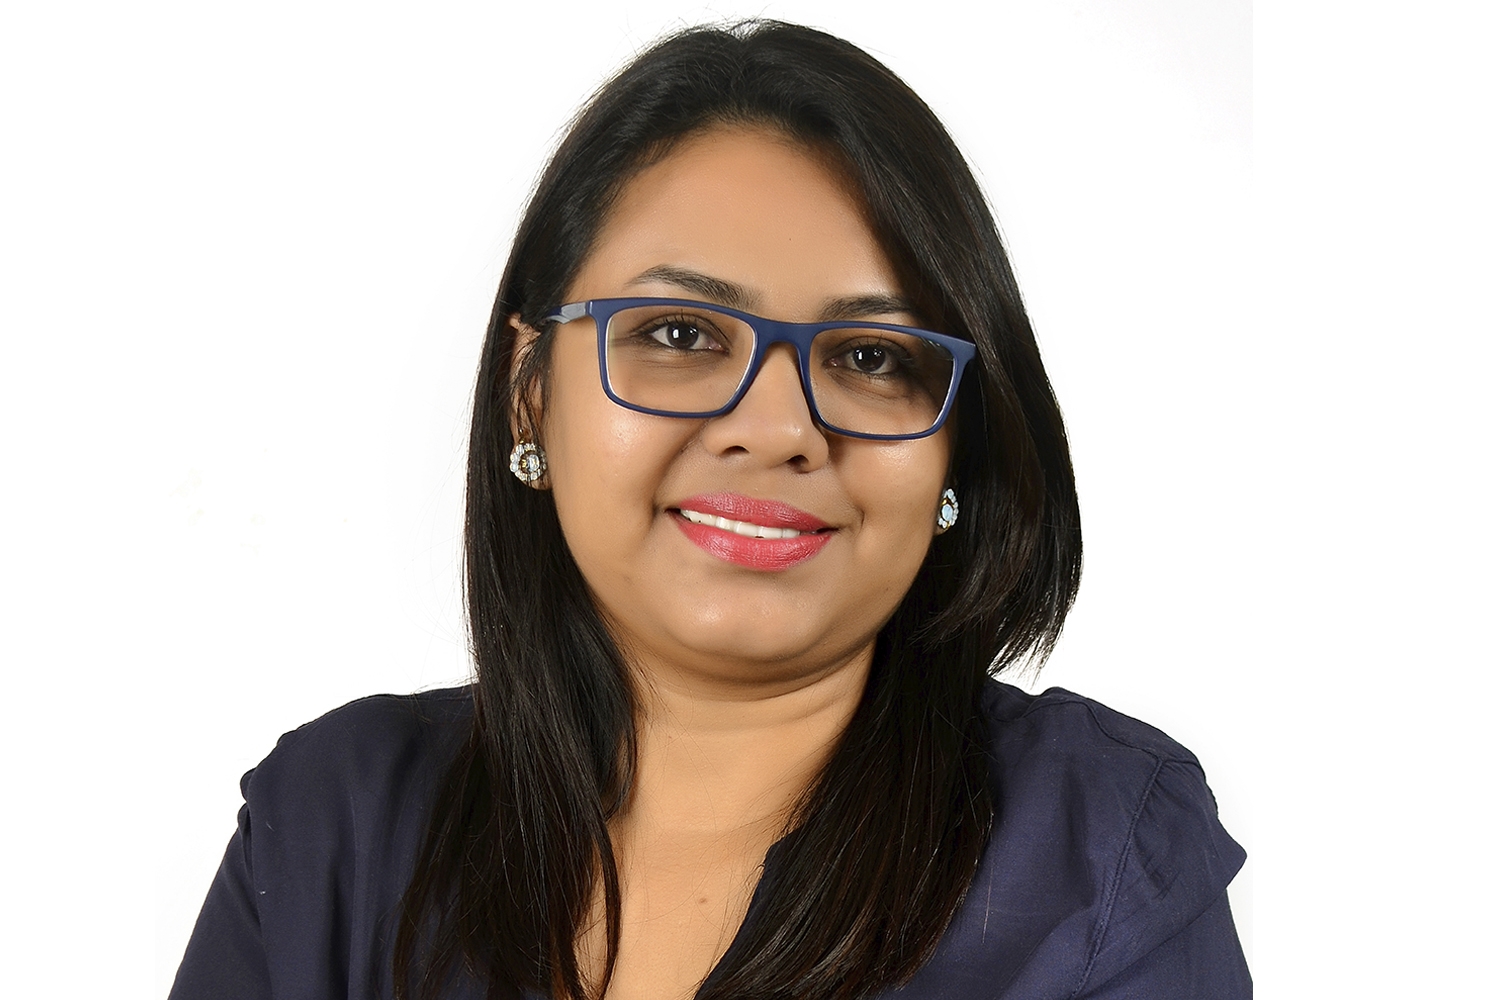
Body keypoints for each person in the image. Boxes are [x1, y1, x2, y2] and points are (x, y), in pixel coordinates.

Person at [170, 20, 1248, 1000]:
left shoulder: (1099, 857)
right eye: (679, 335)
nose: (778, 429)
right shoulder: (330, 831)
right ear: (528, 393)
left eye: (872, 358)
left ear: (956, 447)